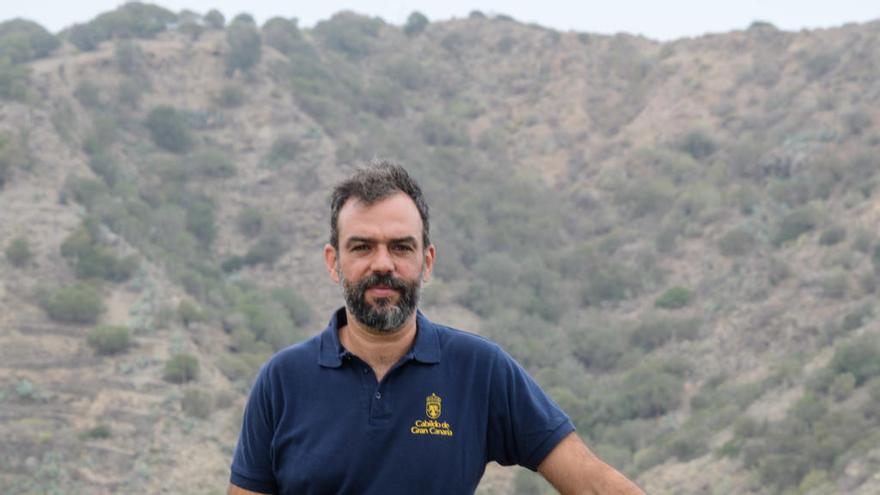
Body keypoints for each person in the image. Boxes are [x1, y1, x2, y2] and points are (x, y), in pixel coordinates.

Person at [228, 161, 644, 495]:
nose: (383, 264)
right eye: (362, 247)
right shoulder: (282, 381)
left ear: (426, 260)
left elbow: (590, 481)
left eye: (400, 247)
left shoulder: (480, 370)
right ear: (333, 261)